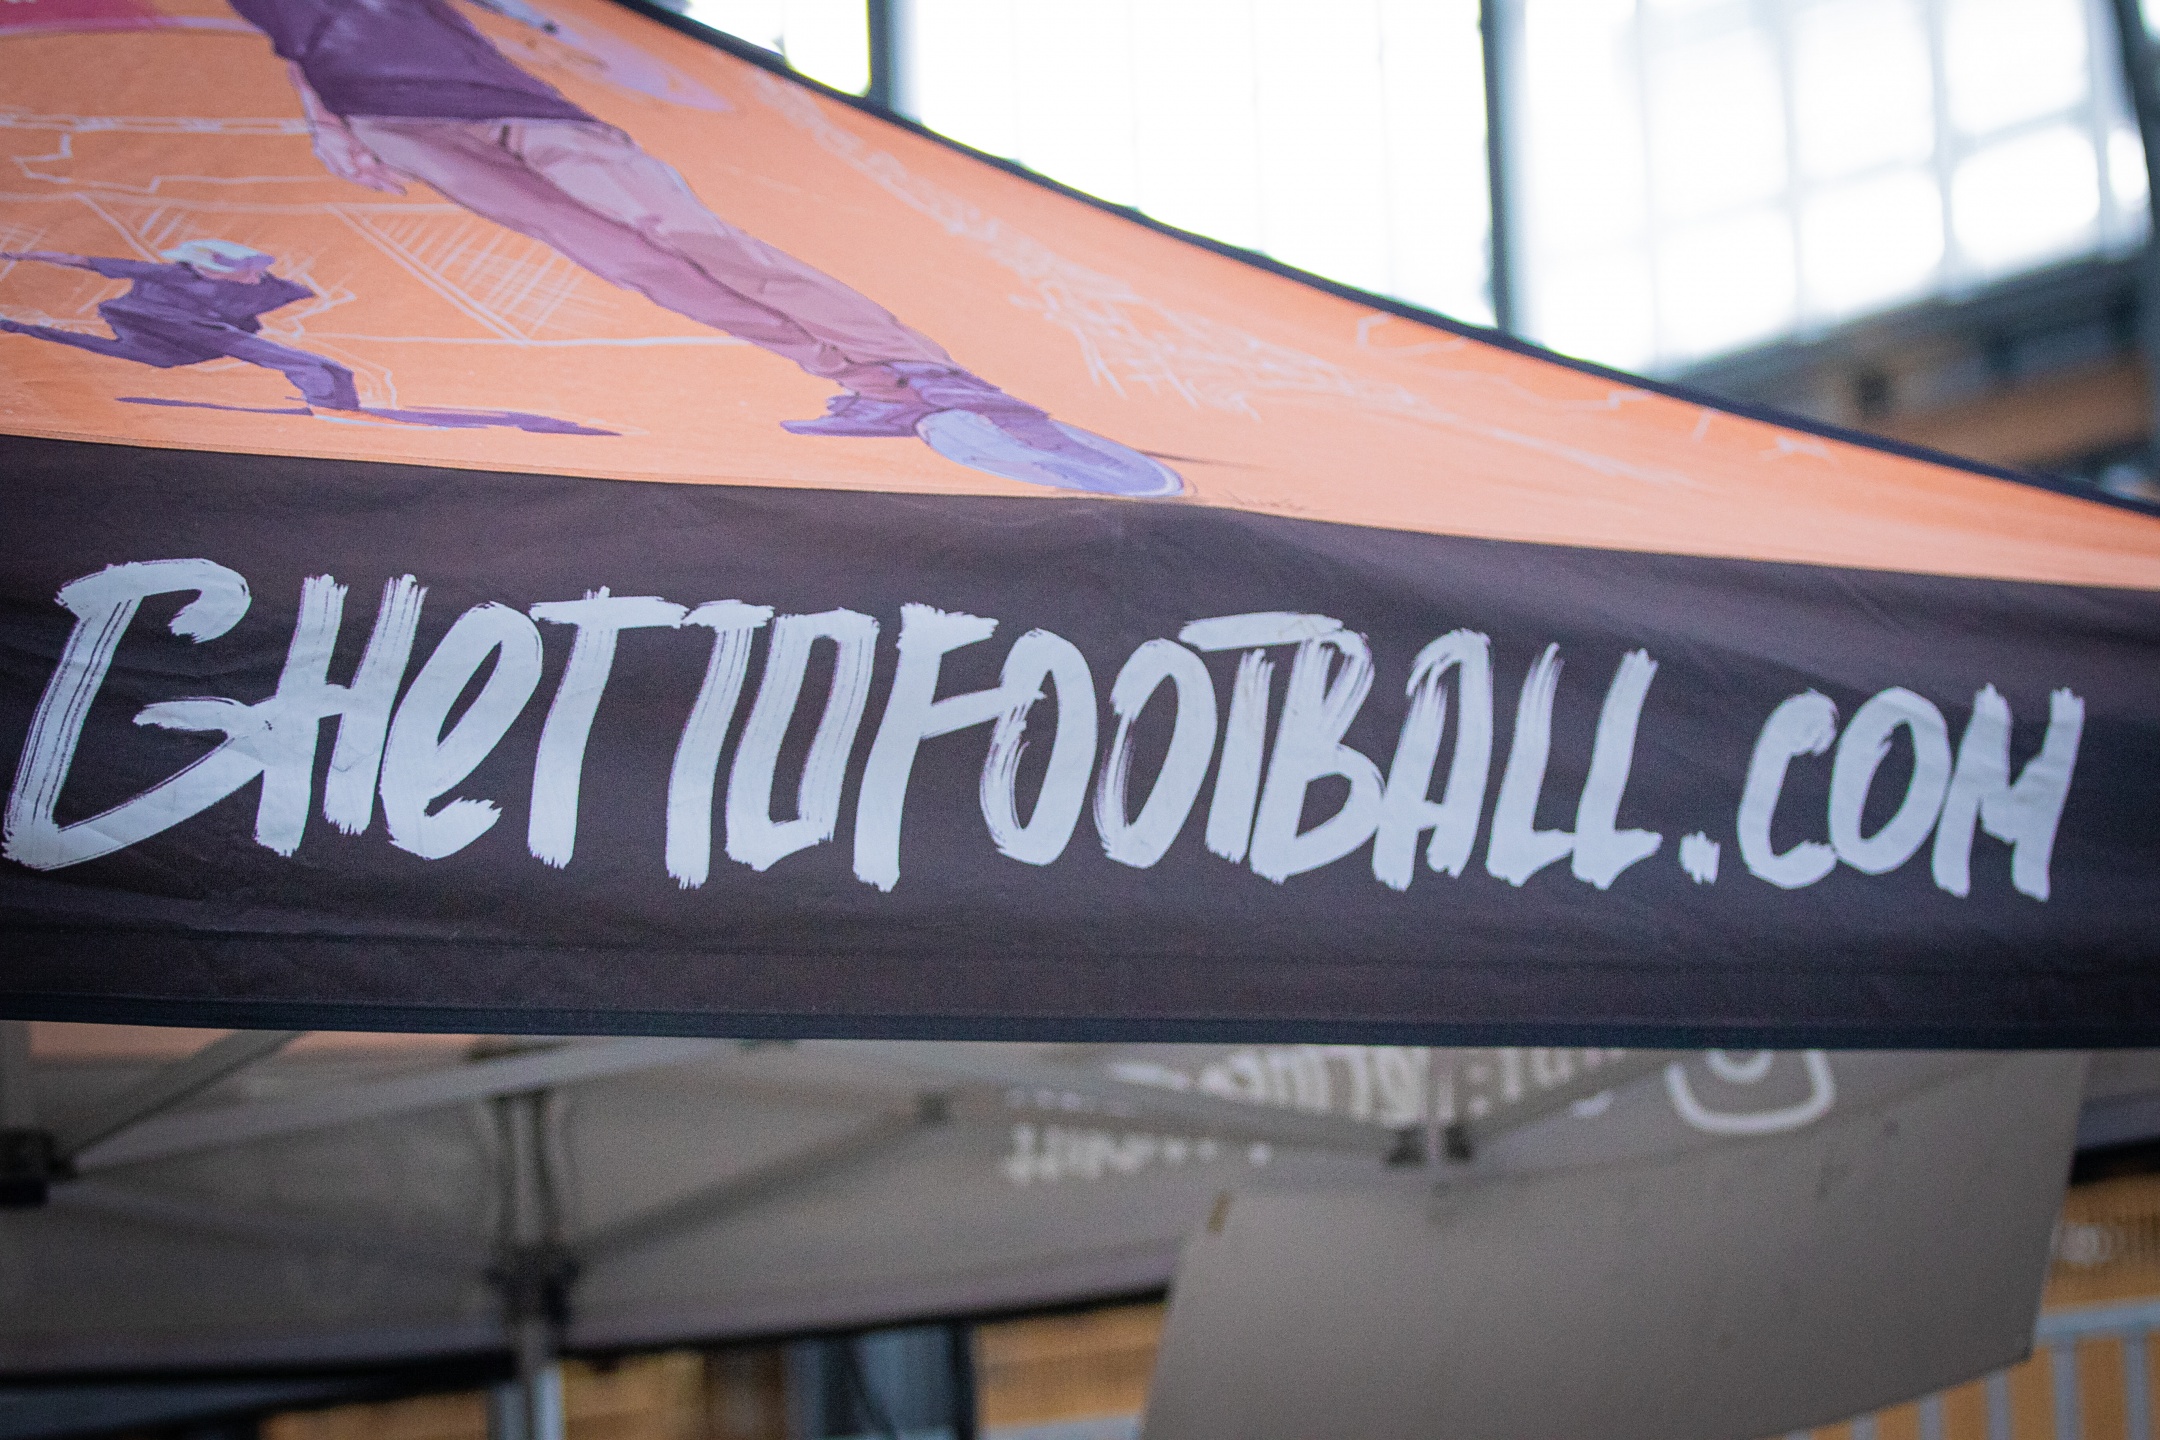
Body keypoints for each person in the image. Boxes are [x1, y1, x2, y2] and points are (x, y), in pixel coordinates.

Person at [224, 0, 1180, 493]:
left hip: (507, 99)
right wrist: (326, 123)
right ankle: (877, 387)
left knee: (682, 232)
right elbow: (294, 36)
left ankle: (935, 376)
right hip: (384, 116)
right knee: (633, 266)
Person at [0, 239, 362, 409]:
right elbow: (78, 258)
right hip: (169, 328)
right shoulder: (170, 275)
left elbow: (311, 289)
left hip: (185, 344)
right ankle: (325, 398)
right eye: (246, 270)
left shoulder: (268, 284)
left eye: (255, 269)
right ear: (207, 268)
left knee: (154, 357)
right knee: (315, 366)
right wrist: (18, 254)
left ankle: (330, 398)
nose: (254, 276)